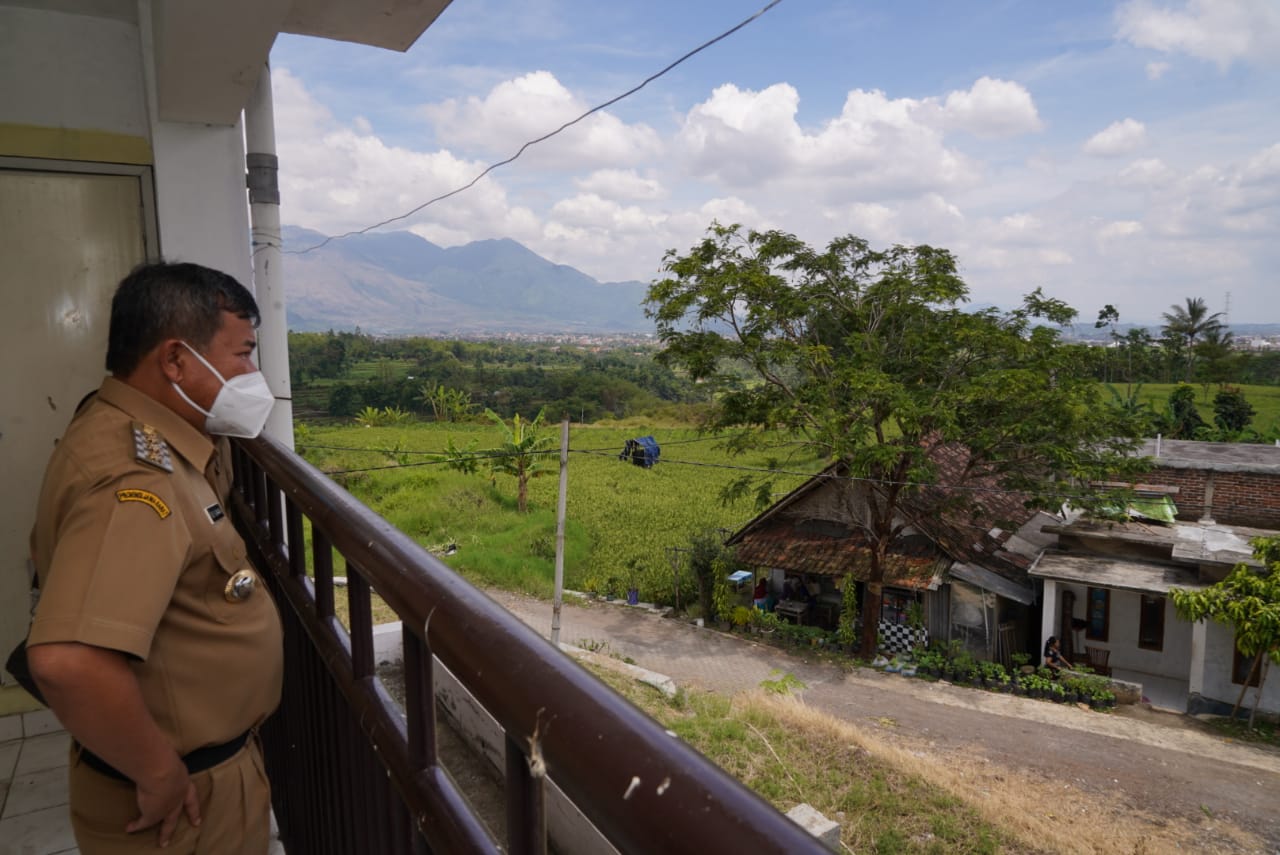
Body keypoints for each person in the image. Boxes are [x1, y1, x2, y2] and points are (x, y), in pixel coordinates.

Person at [25, 262, 284, 854]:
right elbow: (69, 661)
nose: (252, 374)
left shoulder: (120, 426)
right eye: (242, 354)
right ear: (175, 361)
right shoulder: (138, 481)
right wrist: (159, 773)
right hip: (185, 799)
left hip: (192, 770)